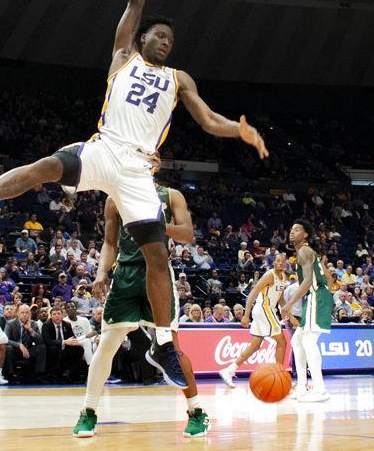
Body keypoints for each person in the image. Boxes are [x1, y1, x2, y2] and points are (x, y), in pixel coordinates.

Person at [0, 0, 268, 388]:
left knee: (157, 255)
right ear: (141, 38)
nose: (166, 41)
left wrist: (238, 131)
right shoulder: (122, 57)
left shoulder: (179, 78)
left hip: (139, 170)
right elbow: (134, 1)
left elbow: (207, 119)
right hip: (104, 147)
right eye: (159, 35)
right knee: (44, 167)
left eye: (171, 39)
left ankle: (163, 342)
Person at [73, 183, 209, 438]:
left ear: (154, 161)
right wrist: (102, 272)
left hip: (157, 274)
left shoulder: (171, 196)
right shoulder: (115, 197)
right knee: (108, 344)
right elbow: (109, 243)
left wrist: (155, 228)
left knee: (171, 345)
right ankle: (88, 411)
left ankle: (197, 411)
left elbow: (188, 234)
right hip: (125, 274)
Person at [281, 220, 336, 403]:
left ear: (305, 234)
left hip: (316, 296)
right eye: (291, 229)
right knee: (297, 340)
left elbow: (306, 282)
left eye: (297, 230)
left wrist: (289, 304)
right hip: (317, 296)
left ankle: (320, 389)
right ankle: (302, 388)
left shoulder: (304, 250)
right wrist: (329, 291)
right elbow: (327, 276)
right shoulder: (305, 252)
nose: (292, 232)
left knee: (308, 341)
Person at [219, 254, 289, 388]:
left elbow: (280, 299)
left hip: (268, 310)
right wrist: (246, 315)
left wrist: (288, 313)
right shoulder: (269, 275)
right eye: (278, 261)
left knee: (256, 345)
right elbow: (252, 293)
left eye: (283, 261)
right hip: (264, 309)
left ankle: (229, 370)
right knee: (282, 341)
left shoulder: (284, 277)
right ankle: (279, 376)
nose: (280, 263)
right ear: (274, 263)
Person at [4, 303, 47, 382]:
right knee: (8, 348)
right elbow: (5, 339)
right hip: (16, 350)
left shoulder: (33, 323)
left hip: (28, 350)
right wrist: (19, 345)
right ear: (18, 313)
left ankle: (39, 374)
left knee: (42, 347)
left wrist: (30, 330)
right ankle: (10, 374)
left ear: (30, 314)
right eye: (22, 312)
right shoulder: (10, 323)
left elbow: (41, 341)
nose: (24, 315)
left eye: (27, 312)